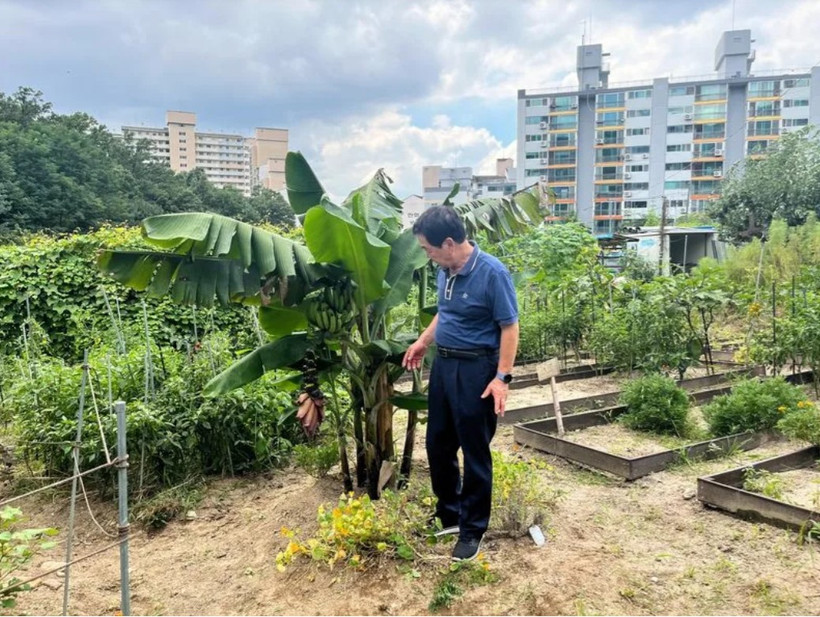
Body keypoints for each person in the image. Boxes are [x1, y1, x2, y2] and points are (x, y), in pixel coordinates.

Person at [402, 205, 519, 562]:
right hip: (444, 366)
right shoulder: (446, 270)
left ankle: (472, 529)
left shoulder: (492, 273)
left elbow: (509, 327)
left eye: (428, 249)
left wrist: (502, 378)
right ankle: (450, 514)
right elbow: (446, 312)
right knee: (438, 443)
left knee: (474, 449)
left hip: (477, 370)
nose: (427, 255)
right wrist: (423, 341)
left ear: (449, 243)